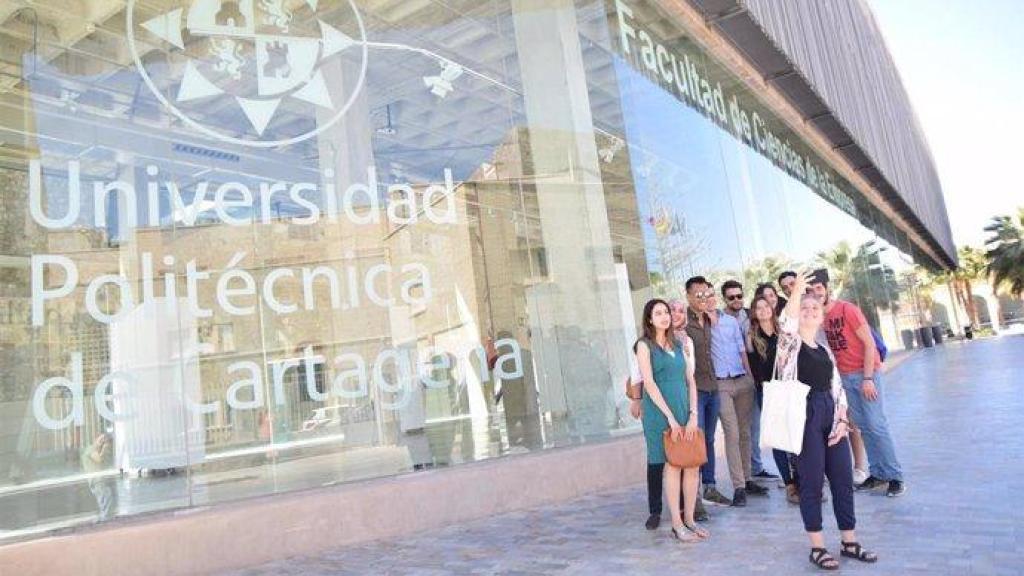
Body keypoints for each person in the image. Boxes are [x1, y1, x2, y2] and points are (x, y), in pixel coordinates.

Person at [776, 271, 878, 570]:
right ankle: (817, 547)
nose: (809, 311)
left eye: (814, 309)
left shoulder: (825, 350)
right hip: (803, 415)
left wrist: (843, 422)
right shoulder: (789, 345)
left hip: (831, 416)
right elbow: (786, 321)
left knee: (843, 481)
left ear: (822, 317)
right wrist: (797, 290)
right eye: (804, 308)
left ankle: (850, 541)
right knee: (811, 485)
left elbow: (838, 390)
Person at [811, 273, 906, 497]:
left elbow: (869, 343)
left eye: (819, 287)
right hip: (844, 378)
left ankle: (895, 476)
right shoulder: (818, 317)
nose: (816, 293)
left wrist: (867, 378)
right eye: (811, 289)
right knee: (864, 426)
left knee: (876, 424)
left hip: (864, 374)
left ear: (826, 287)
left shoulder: (847, 310)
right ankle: (878, 473)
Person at [636, 299, 709, 543]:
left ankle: (690, 519)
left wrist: (692, 415)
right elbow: (649, 383)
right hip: (659, 413)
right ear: (649, 319)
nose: (664, 316)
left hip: (684, 410)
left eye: (665, 312)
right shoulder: (644, 346)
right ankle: (677, 525)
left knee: (692, 465)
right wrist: (671, 418)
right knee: (672, 465)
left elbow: (690, 380)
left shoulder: (679, 344)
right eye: (658, 313)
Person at [708, 286, 767, 507]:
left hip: (742, 380)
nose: (709, 299)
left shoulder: (731, 322)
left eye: (710, 295)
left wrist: (750, 378)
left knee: (745, 432)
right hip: (720, 384)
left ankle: (748, 478)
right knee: (731, 433)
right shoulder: (701, 325)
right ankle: (738, 486)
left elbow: (742, 350)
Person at [723, 280, 778, 482]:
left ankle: (757, 466)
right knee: (747, 428)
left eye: (739, 295)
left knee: (760, 426)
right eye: (731, 297)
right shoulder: (720, 319)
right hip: (740, 380)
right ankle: (750, 470)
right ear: (725, 299)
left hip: (757, 380)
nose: (736, 300)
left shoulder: (751, 314)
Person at [684, 277, 731, 507]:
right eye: (698, 295)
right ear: (689, 296)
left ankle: (710, 486)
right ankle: (694, 499)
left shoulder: (710, 319)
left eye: (706, 294)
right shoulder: (683, 322)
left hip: (713, 388)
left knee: (710, 440)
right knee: (697, 442)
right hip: (696, 391)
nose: (703, 298)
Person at [747, 292, 796, 503]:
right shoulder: (751, 336)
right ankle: (790, 485)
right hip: (767, 392)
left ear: (772, 308)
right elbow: (752, 367)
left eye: (766, 306)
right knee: (778, 439)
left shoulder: (783, 330)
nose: (763, 310)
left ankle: (803, 480)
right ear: (754, 314)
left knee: (794, 437)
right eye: (758, 308)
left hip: (789, 389)